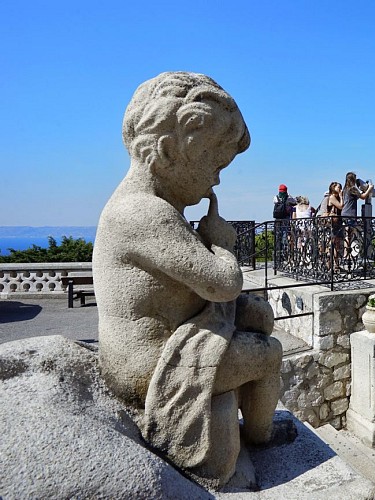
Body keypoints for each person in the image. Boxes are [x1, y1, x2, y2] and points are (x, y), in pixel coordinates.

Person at [94, 72, 283, 486]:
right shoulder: (143, 212)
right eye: (214, 164)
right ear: (169, 149)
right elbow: (222, 282)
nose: (216, 179)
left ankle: (252, 428)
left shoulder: (157, 207)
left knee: (257, 315)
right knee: (268, 352)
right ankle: (262, 435)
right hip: (150, 364)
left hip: (176, 336)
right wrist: (222, 242)